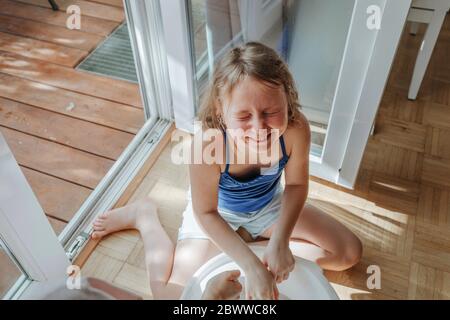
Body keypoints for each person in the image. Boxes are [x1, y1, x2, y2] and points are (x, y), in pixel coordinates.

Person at [92, 42, 362, 300]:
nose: (259, 128)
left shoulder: (295, 129)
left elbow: (296, 186)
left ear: (288, 100)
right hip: (218, 215)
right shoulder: (207, 145)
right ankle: (144, 217)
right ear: (221, 111)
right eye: (244, 117)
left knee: (348, 253)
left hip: (269, 207)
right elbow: (205, 212)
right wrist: (253, 268)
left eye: (271, 112)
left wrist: (280, 241)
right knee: (170, 297)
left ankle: (256, 245)